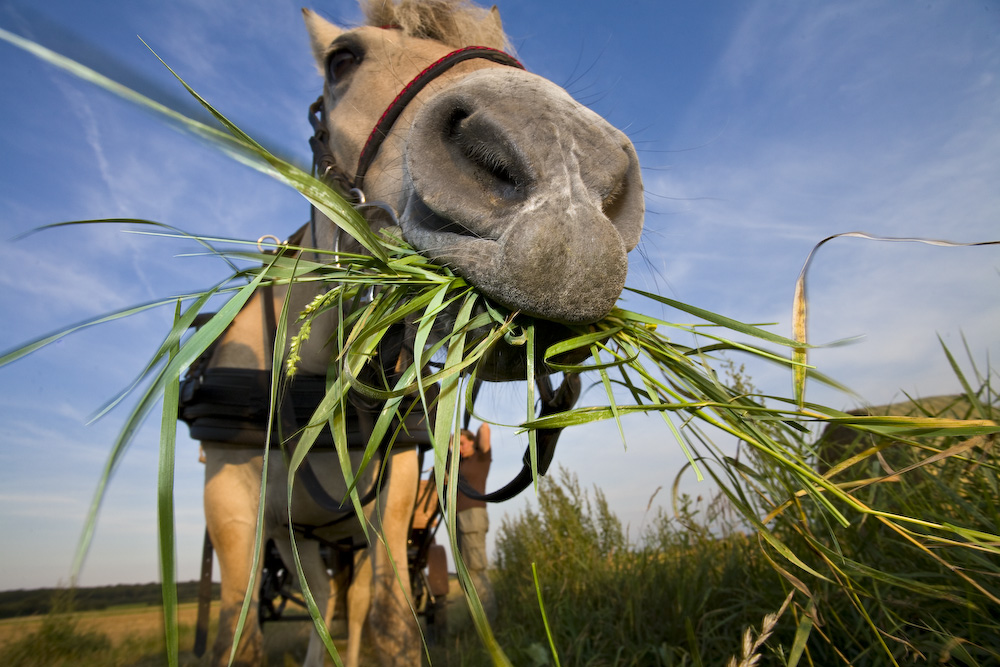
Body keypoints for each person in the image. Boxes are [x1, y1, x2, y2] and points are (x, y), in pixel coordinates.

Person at [455, 422, 496, 620]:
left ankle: (489, 619)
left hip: (473, 517)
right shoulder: (458, 464)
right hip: (459, 518)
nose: (459, 449)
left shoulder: (481, 458)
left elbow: (485, 429)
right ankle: (479, 620)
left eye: (462, 444)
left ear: (472, 442)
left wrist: (465, 435)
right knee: (465, 573)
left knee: (476, 569)